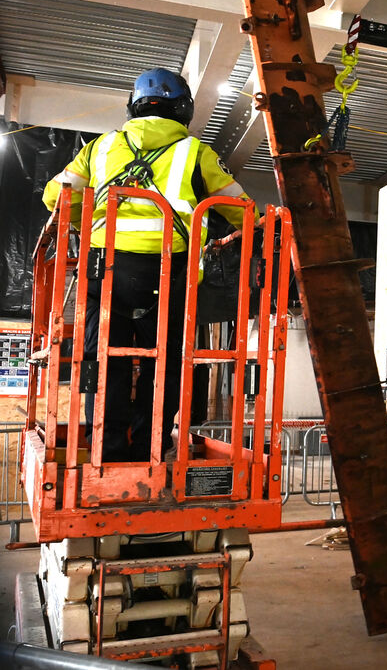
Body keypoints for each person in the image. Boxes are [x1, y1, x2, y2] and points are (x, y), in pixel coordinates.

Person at [42, 68, 257, 462]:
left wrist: (85, 225)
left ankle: (106, 451)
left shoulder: (101, 147)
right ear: (184, 110)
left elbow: (57, 196)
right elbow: (245, 212)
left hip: (102, 271)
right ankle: (150, 446)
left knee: (101, 359)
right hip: (170, 274)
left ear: (133, 107)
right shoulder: (196, 153)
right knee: (167, 361)